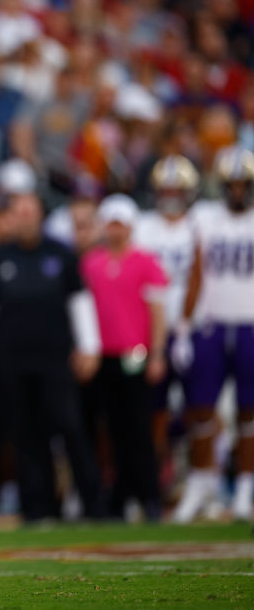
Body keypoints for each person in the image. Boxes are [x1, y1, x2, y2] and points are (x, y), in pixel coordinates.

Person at [0, 190, 103, 521]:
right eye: (18, 211)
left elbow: (79, 303)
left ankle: (94, 506)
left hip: (55, 360)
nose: (24, 216)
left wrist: (90, 347)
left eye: (30, 210)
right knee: (25, 436)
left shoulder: (61, 255)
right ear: (10, 217)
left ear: (40, 215)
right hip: (11, 362)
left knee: (70, 429)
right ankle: (36, 507)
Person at [173, 147, 254, 522]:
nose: (237, 191)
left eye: (243, 184)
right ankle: (200, 484)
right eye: (231, 184)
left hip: (250, 321)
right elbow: (196, 274)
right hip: (212, 322)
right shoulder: (205, 217)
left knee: (248, 412)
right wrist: (184, 327)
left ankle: (243, 489)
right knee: (200, 409)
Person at [81, 195, 168, 521]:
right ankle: (118, 498)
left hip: (135, 353)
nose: (115, 229)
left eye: (120, 223)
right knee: (111, 431)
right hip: (102, 355)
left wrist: (157, 353)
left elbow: (157, 311)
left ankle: (149, 496)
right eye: (111, 222)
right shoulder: (91, 262)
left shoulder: (144, 261)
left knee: (139, 429)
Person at [133, 156, 200, 490]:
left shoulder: (199, 224)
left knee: (201, 408)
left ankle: (201, 479)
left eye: (177, 188)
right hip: (148, 333)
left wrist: (188, 326)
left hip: (194, 330)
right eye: (166, 188)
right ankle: (154, 479)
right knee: (151, 412)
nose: (171, 194)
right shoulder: (144, 227)